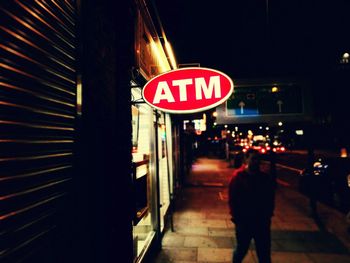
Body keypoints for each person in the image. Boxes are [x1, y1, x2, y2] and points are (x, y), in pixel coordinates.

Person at [228, 149, 276, 263]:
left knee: (264, 252)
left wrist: (268, 214)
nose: (256, 161)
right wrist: (237, 217)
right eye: (253, 158)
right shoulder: (239, 178)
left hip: (261, 221)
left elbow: (270, 197)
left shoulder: (265, 178)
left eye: (258, 159)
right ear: (247, 159)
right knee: (241, 249)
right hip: (245, 221)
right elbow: (233, 199)